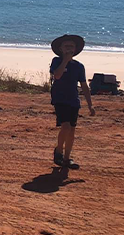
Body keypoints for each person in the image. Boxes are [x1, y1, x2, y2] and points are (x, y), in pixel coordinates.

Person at [49, 34, 94, 169]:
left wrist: (90, 105)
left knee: (72, 130)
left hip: (73, 100)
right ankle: (58, 151)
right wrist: (65, 61)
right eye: (66, 46)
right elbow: (57, 75)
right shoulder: (56, 61)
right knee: (66, 126)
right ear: (61, 49)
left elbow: (84, 86)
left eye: (72, 47)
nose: (69, 49)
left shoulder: (79, 66)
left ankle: (67, 158)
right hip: (59, 98)